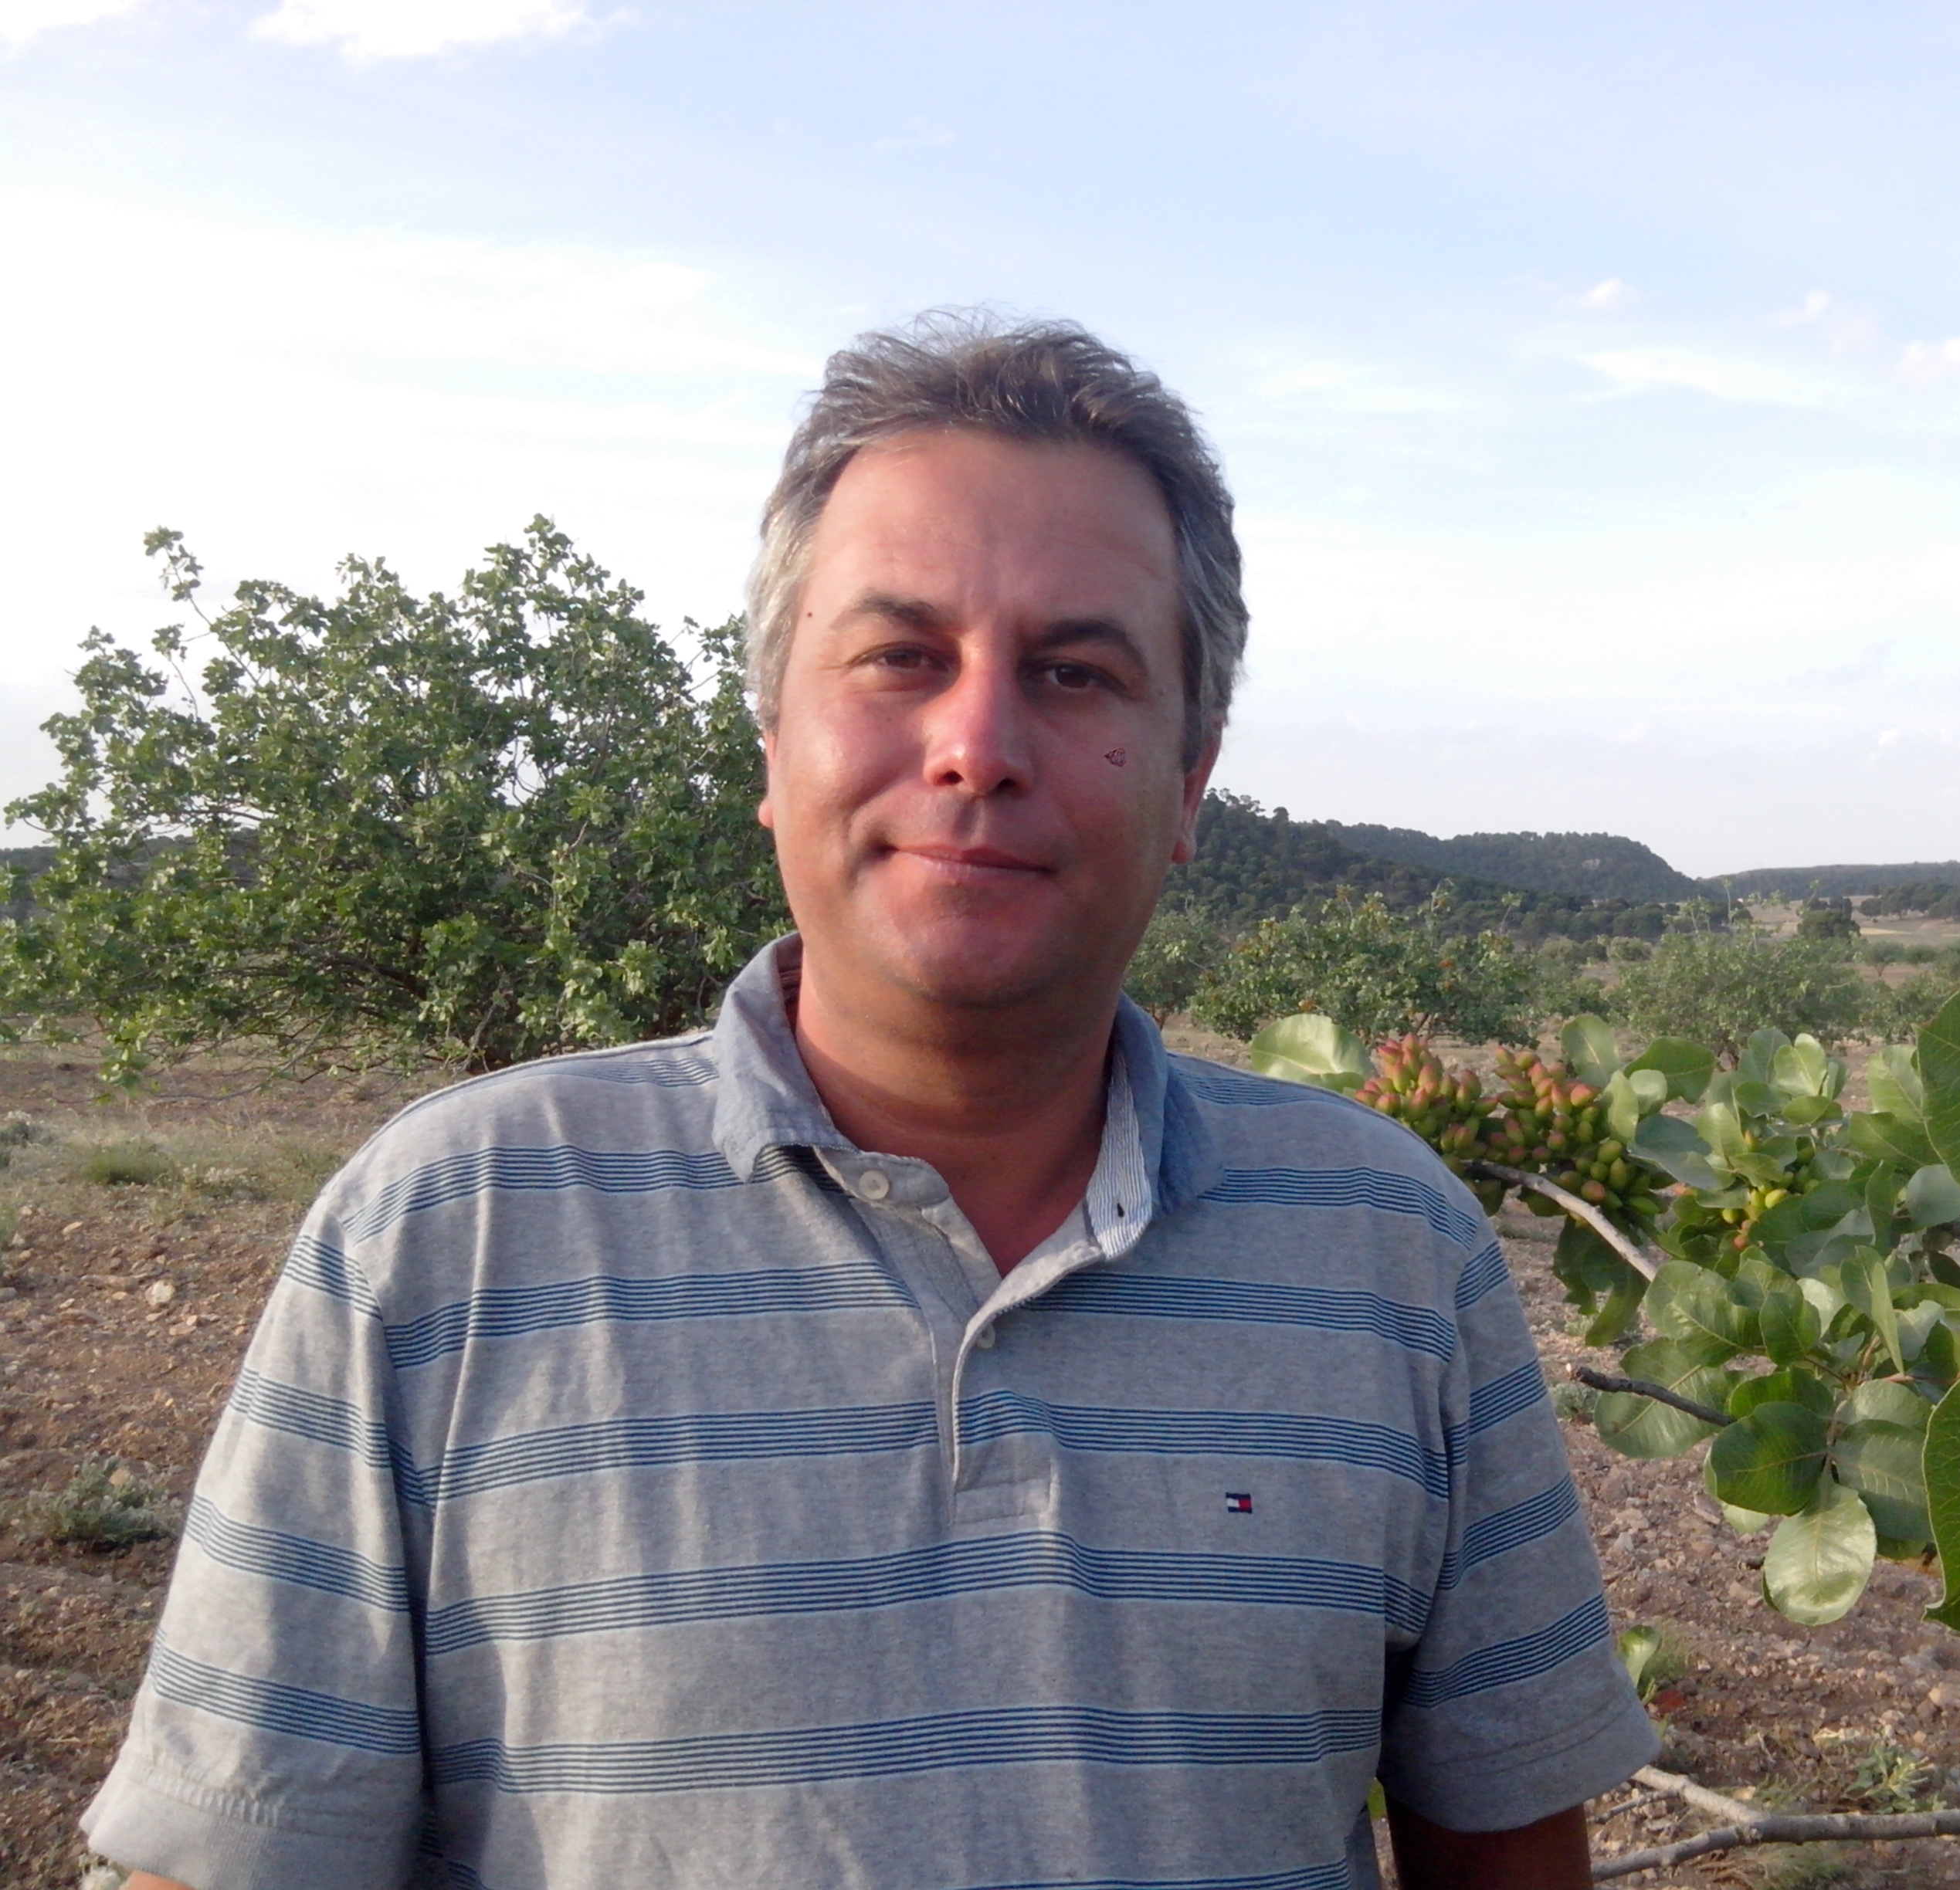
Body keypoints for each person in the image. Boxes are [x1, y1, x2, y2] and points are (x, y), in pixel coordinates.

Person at [85, 316, 1656, 1890]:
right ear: (776, 743)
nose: (978, 746)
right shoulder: (444, 1231)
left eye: (1076, 671)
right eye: (901, 656)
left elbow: (1511, 1854)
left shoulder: (1392, 1250)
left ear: (1189, 780)